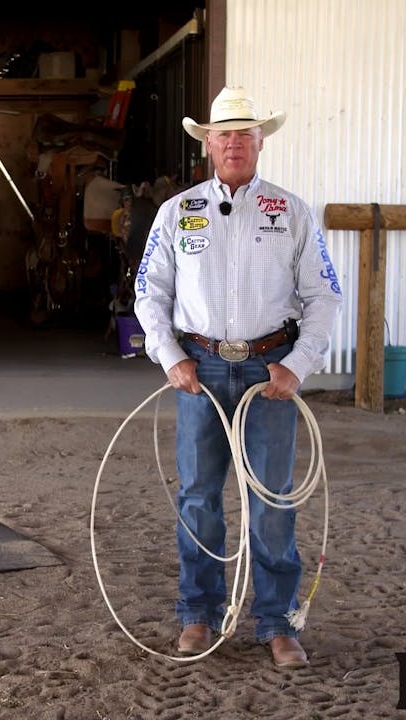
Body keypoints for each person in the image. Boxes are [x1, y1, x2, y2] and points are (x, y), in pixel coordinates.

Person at [133, 86, 342, 667]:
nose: (233, 144)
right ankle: (198, 614)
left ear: (259, 143)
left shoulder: (291, 211)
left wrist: (297, 365)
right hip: (198, 369)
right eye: (223, 134)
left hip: (267, 370)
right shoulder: (177, 212)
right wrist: (169, 355)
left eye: (244, 135)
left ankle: (276, 622)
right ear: (208, 143)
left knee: (273, 499)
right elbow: (150, 292)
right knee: (199, 496)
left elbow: (323, 295)